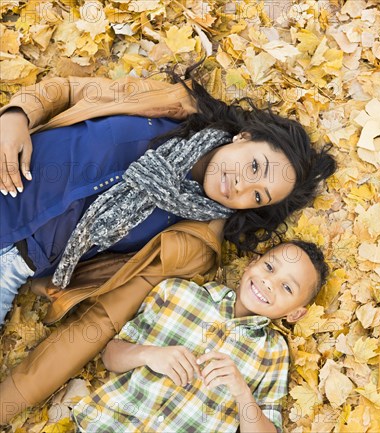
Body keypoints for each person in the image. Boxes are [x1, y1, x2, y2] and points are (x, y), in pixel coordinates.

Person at [0, 66, 336, 424]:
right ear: (244, 136)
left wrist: (8, 402)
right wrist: (17, 115)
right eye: (254, 165)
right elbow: (67, 89)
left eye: (257, 195)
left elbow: (99, 322)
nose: (239, 187)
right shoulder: (170, 105)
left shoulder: (191, 240)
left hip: (12, 265)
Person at [71, 240, 327, 433]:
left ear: (295, 314)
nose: (269, 282)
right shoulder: (178, 292)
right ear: (252, 264)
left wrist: (242, 393)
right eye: (269, 267)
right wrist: (148, 354)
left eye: (286, 287)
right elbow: (110, 356)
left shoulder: (273, 352)